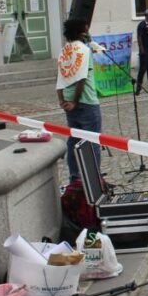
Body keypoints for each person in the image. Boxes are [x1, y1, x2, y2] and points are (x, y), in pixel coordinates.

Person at [56, 19, 102, 182]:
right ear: (82, 31)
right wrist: (75, 101)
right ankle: (93, 180)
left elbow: (60, 76)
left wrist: (62, 99)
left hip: (68, 101)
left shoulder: (64, 50)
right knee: (93, 142)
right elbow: (82, 78)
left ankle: (75, 177)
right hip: (86, 101)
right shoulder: (84, 50)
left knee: (73, 140)